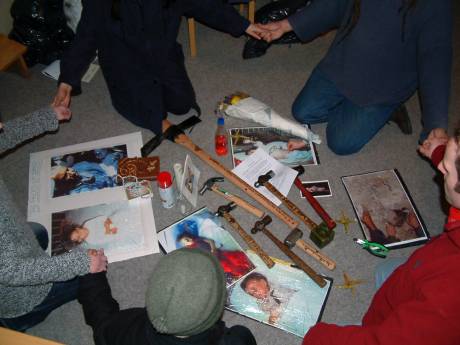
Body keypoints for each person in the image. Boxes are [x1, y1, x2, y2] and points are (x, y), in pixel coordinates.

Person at [300, 126, 460, 344]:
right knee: (387, 270)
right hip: (419, 270)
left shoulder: (448, 300)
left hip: (410, 314)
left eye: (448, 169)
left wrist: (317, 337)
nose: (441, 167)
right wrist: (439, 151)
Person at [258, 0, 452, 155]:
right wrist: (286, 25)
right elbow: (332, 4)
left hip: (385, 83)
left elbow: (436, 57)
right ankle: (359, 111)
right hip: (343, 62)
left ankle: (389, 109)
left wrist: (436, 123)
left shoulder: (435, 4)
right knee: (302, 112)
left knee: (341, 143)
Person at [53, 0, 266, 135]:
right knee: (153, 115)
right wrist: (67, 80)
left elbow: (207, 5)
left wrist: (244, 25)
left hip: (161, 54)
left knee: (182, 104)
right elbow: (86, 36)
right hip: (124, 64)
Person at [0, 106, 108, 331]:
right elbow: (11, 271)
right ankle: (18, 319)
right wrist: (81, 263)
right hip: (22, 297)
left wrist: (47, 117)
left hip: (12, 249)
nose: (1, 126)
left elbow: (5, 135)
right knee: (91, 274)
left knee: (38, 232)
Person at [77, 247, 257, 345]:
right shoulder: (234, 340)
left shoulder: (127, 331)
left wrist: (91, 275)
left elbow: (102, 323)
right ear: (217, 310)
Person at [177, 230, 254, 285]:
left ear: (188, 236)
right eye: (185, 241)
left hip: (218, 253)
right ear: (185, 244)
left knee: (235, 257)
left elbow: (211, 241)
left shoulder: (198, 239)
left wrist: (213, 248)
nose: (187, 240)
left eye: (186, 238)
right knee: (228, 266)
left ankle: (249, 267)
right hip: (214, 260)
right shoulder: (192, 250)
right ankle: (243, 274)